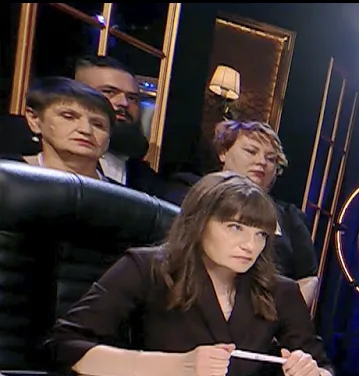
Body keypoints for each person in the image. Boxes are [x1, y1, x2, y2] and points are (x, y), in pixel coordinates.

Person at [46, 171, 333, 376]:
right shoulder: (146, 267)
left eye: (260, 235)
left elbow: (324, 370)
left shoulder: (280, 290)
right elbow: (65, 345)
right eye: (235, 228)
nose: (250, 245)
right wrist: (179, 366)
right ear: (199, 223)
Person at [167, 121, 320, 305]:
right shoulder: (190, 193)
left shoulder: (290, 216)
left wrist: (284, 317)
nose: (262, 162)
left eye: (271, 159)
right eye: (251, 151)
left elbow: (308, 278)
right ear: (223, 152)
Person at [71, 55, 166, 195]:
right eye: (109, 92)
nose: (124, 103)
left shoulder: (147, 180)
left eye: (132, 98)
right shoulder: (50, 162)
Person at [3, 77, 112, 181]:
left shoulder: (118, 192)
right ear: (34, 119)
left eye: (98, 124)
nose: (86, 130)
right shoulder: (5, 174)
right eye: (68, 117)